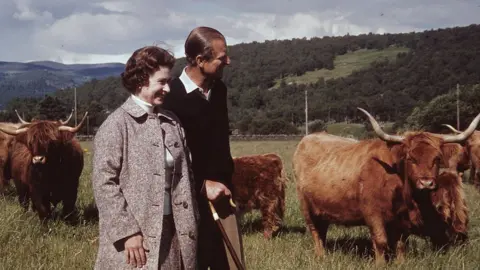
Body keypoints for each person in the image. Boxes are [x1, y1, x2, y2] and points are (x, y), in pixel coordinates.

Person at [92, 45, 199, 270]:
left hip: (172, 234)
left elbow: (186, 178)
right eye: (161, 82)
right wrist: (127, 232)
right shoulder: (116, 125)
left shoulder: (172, 123)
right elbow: (104, 184)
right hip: (133, 241)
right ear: (141, 80)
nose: (168, 88)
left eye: (168, 81)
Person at [162, 26, 245, 270]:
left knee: (226, 261)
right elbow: (169, 157)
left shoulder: (219, 90)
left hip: (223, 195)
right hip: (187, 199)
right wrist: (202, 185)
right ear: (200, 60)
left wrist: (226, 181)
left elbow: (219, 143)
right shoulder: (170, 98)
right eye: (222, 57)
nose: (228, 61)